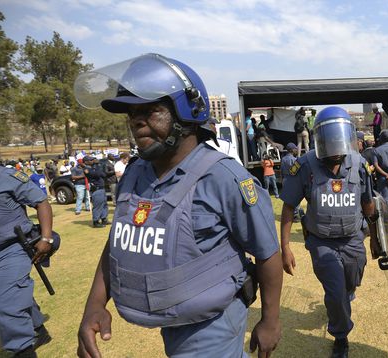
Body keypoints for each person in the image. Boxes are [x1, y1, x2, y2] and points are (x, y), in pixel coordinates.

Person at [74, 53, 282, 358]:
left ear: (187, 113)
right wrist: (94, 306)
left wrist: (270, 320)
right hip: (171, 317)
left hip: (210, 326)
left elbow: (267, 253)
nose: (136, 122)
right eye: (131, 114)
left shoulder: (223, 178)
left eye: (150, 110)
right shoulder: (135, 173)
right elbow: (117, 241)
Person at [279, 106, 379, 358]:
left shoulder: (359, 164)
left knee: (350, 283)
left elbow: (368, 203)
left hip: (354, 239)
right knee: (335, 293)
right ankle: (341, 336)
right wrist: (286, 247)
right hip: (322, 242)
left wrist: (376, 238)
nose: (336, 151)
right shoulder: (304, 166)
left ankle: (345, 296)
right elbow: (289, 207)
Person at [0, 163, 55, 357]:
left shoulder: (7, 176)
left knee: (6, 304)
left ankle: (22, 350)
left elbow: (41, 202)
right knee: (10, 293)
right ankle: (39, 330)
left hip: (13, 247)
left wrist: (46, 238)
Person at [83, 156, 108, 228]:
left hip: (101, 188)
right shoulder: (86, 169)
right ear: (86, 162)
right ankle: (96, 221)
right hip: (96, 189)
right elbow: (96, 174)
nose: (92, 161)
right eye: (90, 160)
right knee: (98, 205)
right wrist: (97, 167)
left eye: (92, 159)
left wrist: (97, 167)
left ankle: (104, 218)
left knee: (104, 204)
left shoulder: (94, 167)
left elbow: (103, 174)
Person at [280, 143, 301, 221]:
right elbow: (297, 171)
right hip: (293, 180)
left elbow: (281, 170)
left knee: (288, 198)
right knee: (296, 197)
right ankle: (295, 215)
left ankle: (288, 213)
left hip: (285, 180)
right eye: (295, 149)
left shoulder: (283, 159)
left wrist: (282, 180)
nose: (296, 150)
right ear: (292, 150)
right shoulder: (294, 160)